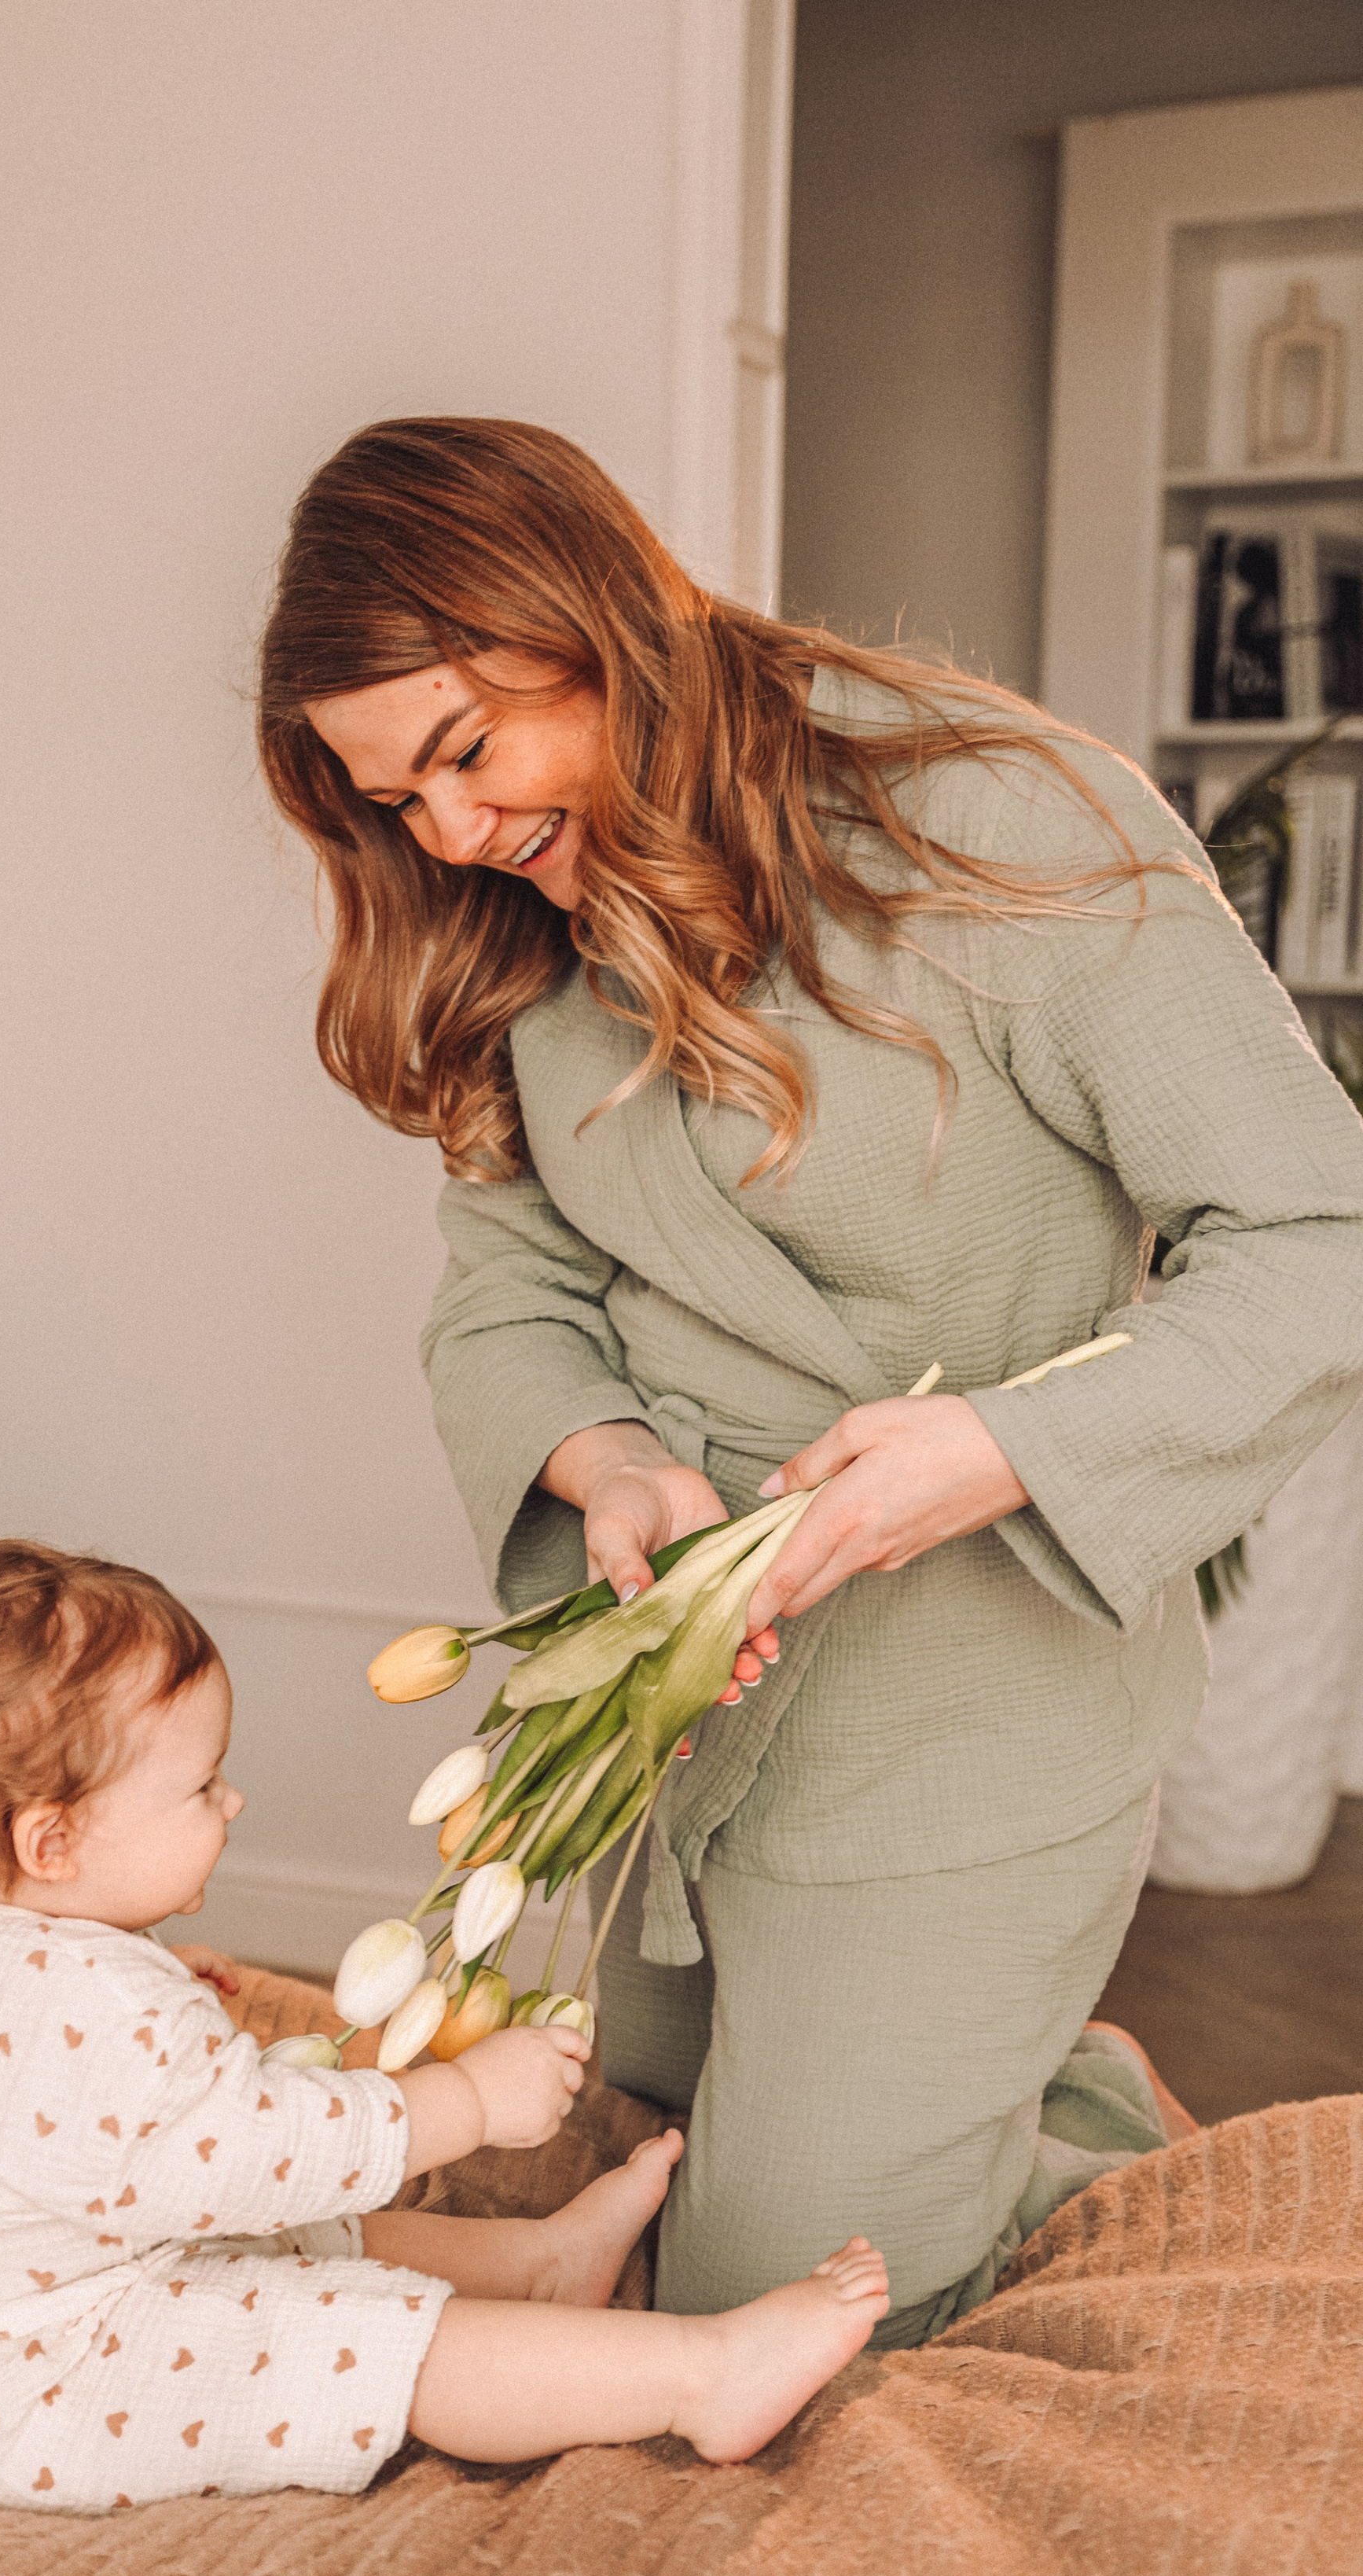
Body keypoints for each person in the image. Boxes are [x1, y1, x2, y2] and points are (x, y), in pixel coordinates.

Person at [257, 415, 1363, 2347]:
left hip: (967, 1705)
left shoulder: (1006, 830)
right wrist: (599, 1465)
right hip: (692, 1734)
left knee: (759, 2296)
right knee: (670, 2141)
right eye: (386, 796)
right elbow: (506, 1287)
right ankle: (1015, 2111)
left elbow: (1322, 1237)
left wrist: (997, 1452)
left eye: (462, 751)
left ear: (589, 617)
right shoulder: (524, 911)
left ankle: (1031, 2137)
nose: (440, 833)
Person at [0, 1540, 887, 2514]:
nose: (234, 1803)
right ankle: (703, 2376)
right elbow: (274, 2156)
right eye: (202, 1786)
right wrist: (466, 2103)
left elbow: (21, 2086)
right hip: (32, 2387)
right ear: (52, 1845)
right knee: (344, 2337)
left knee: (263, 2253)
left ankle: (539, 2264)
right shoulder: (104, 2014)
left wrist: (160, 1982)